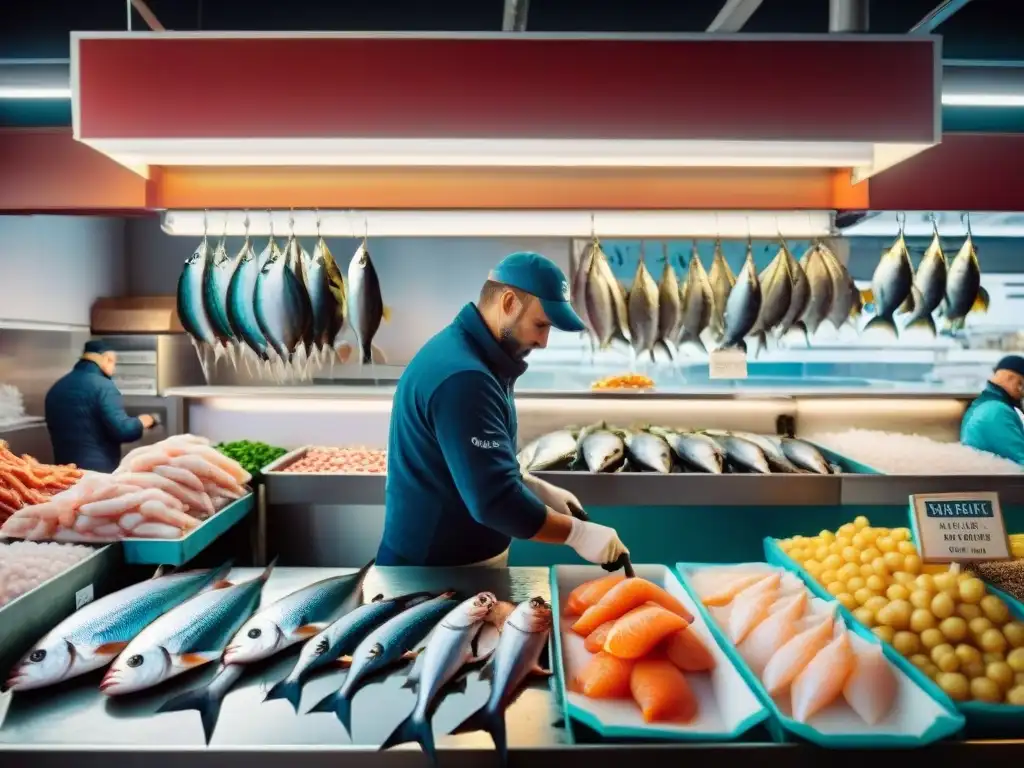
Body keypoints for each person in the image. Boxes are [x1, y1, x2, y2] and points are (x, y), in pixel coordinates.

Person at [378, 251, 630, 568]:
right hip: (433, 573)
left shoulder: (474, 357)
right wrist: (579, 535)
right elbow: (495, 502)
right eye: (540, 324)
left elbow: (474, 464)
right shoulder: (465, 378)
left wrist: (526, 483)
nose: (544, 341)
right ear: (508, 303)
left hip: (454, 565)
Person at [44, 340, 160, 473]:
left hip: (63, 474)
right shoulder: (104, 387)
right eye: (113, 362)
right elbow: (122, 430)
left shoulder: (58, 386)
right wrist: (144, 421)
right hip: (96, 474)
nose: (114, 369)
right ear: (106, 359)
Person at [961, 355, 1024, 465]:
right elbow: (1019, 457)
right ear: (1009, 378)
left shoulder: (982, 405)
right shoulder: (997, 411)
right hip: (992, 481)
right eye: (1021, 384)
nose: (1021, 392)